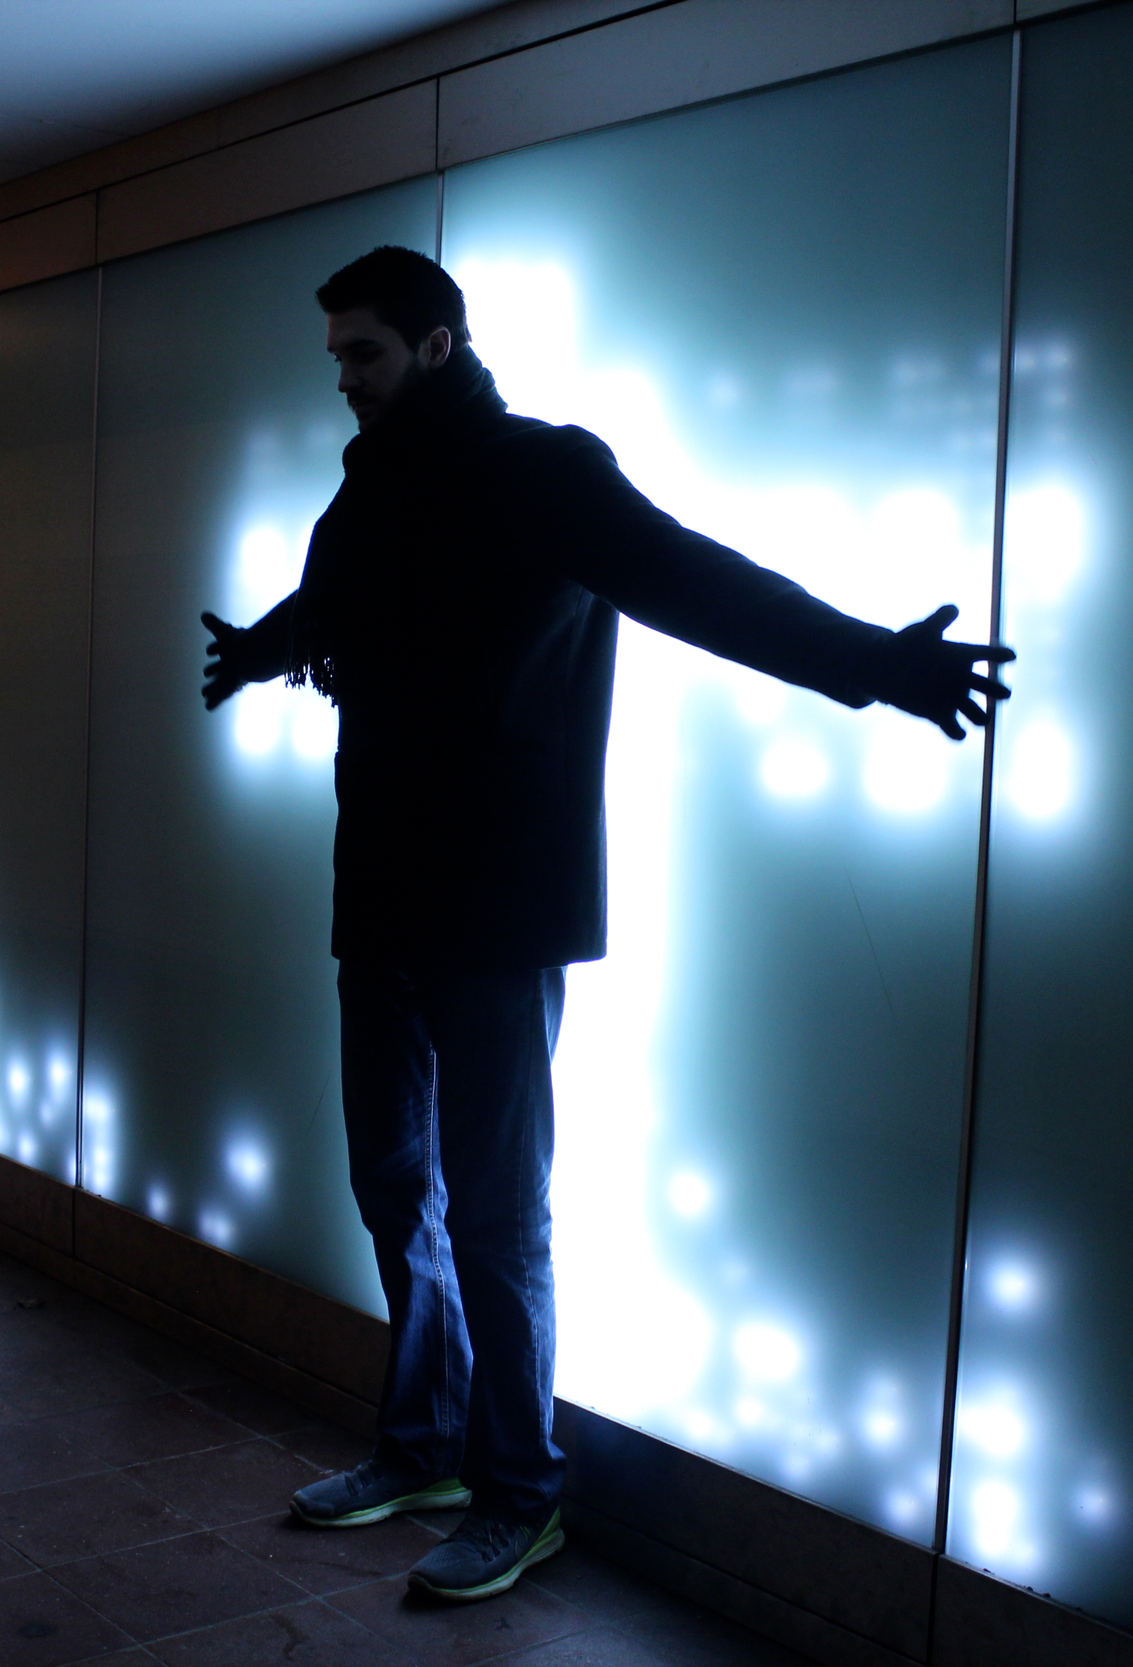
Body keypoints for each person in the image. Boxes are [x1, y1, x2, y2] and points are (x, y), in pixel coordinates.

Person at [198, 246, 1011, 1603]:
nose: (343, 381)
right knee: (396, 1185)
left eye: (365, 356)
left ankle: (520, 1493)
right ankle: (428, 1448)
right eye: (336, 358)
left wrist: (873, 662)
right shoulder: (369, 487)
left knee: (498, 1215)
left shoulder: (543, 474)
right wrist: (263, 652)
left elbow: (698, 583)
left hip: (497, 908)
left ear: (440, 346)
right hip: (383, 893)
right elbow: (332, 606)